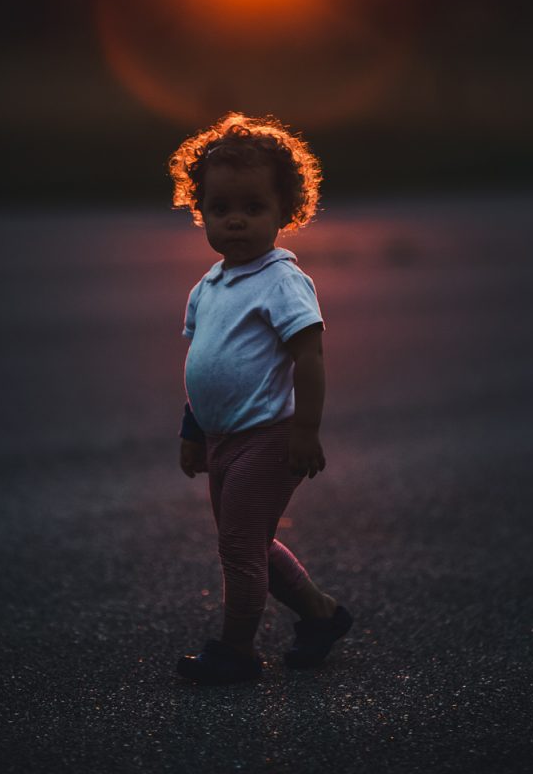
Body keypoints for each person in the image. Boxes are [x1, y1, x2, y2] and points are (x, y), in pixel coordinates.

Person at [168, 112, 352, 685]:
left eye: (253, 207)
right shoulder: (208, 286)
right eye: (221, 208)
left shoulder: (282, 279)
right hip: (221, 436)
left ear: (286, 210)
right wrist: (192, 430)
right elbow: (202, 365)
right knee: (250, 541)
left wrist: (306, 431)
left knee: (239, 548)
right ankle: (322, 616)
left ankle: (236, 652)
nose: (236, 221)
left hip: (269, 435)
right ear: (201, 210)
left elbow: (310, 356)